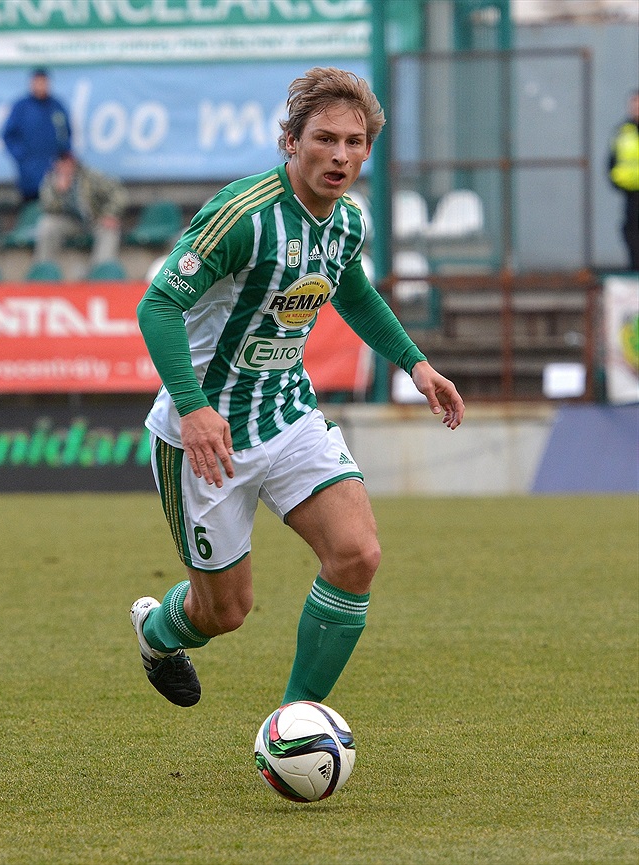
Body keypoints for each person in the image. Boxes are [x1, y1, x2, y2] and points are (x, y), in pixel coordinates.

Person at [130, 67, 465, 710]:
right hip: (206, 438)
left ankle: (296, 721)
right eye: (325, 138)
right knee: (224, 611)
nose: (341, 155)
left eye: (356, 141)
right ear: (291, 140)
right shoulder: (242, 217)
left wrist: (415, 364)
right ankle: (156, 631)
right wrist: (195, 409)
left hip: (286, 416)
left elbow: (354, 292)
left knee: (357, 554)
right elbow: (158, 307)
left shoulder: (346, 222)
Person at [34, 151, 127, 270]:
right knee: (47, 224)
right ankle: (44, 271)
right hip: (71, 222)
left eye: (66, 161)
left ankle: (101, 273)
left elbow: (118, 194)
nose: (63, 165)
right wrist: (59, 193)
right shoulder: (51, 179)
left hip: (96, 218)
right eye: (60, 162)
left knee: (110, 229)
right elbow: (46, 207)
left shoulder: (91, 176)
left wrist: (110, 213)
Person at [2, 68, 71, 202]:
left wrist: (64, 161)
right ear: (31, 83)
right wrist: (22, 157)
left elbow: (66, 135)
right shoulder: (21, 107)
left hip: (54, 173)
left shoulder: (57, 107)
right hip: (29, 174)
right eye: (37, 82)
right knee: (31, 210)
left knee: (55, 207)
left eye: (44, 82)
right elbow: (8, 135)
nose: (41, 86)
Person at [608, 90, 639, 271]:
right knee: (631, 231)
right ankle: (635, 269)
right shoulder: (623, 132)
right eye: (633, 104)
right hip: (631, 193)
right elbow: (613, 161)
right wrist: (617, 181)